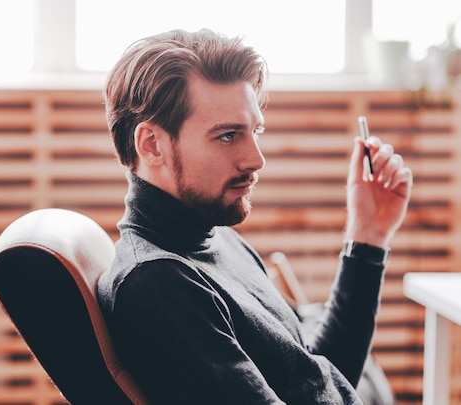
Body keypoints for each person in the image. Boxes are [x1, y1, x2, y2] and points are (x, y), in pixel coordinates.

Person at [97, 28, 413, 404]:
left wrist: (368, 234)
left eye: (254, 131)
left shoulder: (214, 237)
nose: (256, 160)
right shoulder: (160, 285)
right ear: (152, 145)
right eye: (228, 136)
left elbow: (319, 375)